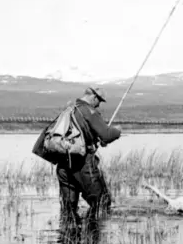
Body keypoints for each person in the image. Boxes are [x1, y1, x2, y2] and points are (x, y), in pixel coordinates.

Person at [34, 86, 123, 223]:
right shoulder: (89, 111)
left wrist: (96, 138)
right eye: (99, 101)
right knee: (102, 203)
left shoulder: (69, 109)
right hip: (82, 165)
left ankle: (68, 240)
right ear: (94, 97)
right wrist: (117, 131)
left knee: (68, 209)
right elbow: (107, 135)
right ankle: (92, 239)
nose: (99, 105)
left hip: (63, 166)